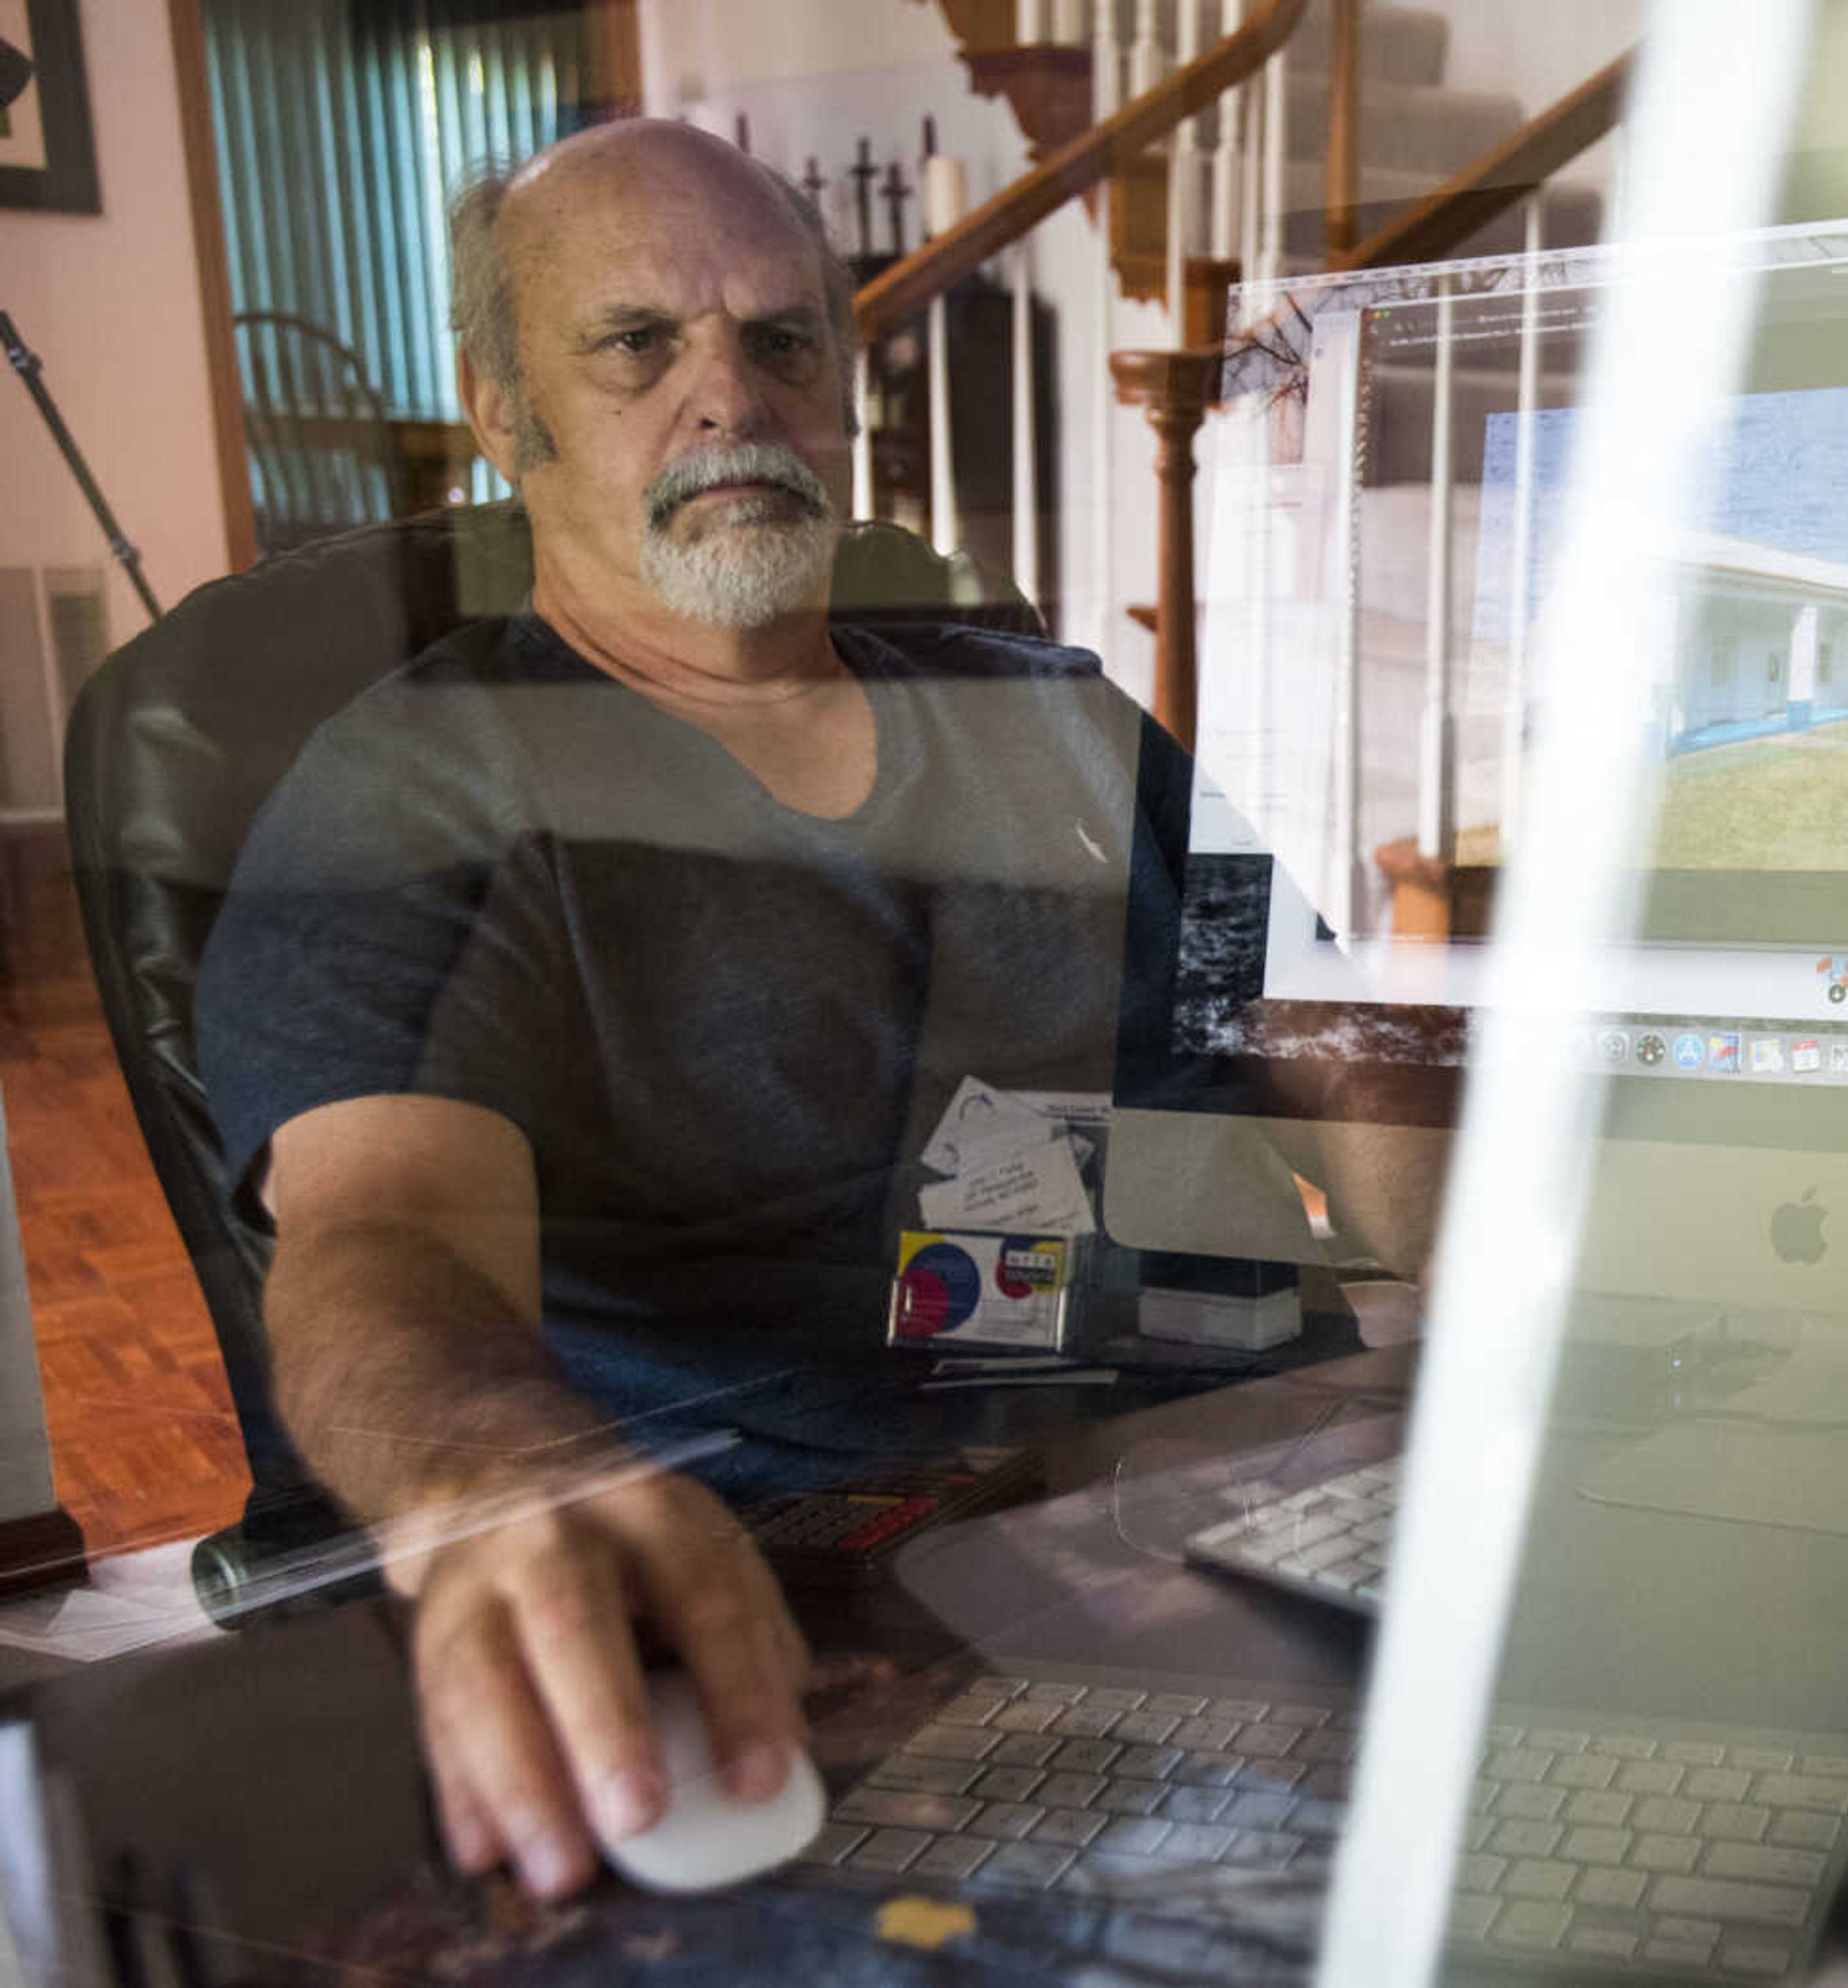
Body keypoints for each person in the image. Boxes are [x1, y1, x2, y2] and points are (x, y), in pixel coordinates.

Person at [193, 120, 1174, 1901]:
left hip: (1182, 1512)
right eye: (637, 342)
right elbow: (378, 1237)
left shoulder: (1056, 716)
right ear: (506, 413)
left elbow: (1343, 1068)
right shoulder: (419, 795)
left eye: (783, 339)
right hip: (782, 1624)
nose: (731, 395)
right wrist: (492, 1475)